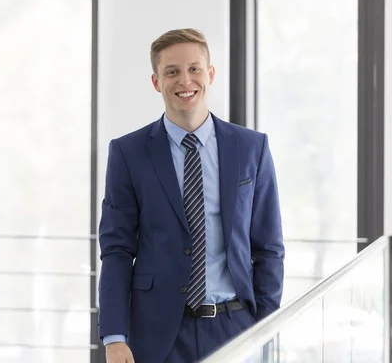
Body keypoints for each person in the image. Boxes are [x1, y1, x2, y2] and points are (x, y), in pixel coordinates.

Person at [97, 28, 285, 363]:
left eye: (195, 69)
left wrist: (265, 324)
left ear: (210, 74)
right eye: (172, 71)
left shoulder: (251, 148)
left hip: (236, 326)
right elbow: (117, 250)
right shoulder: (128, 153)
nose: (186, 80)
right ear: (156, 81)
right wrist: (114, 337)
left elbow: (268, 247)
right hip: (156, 334)